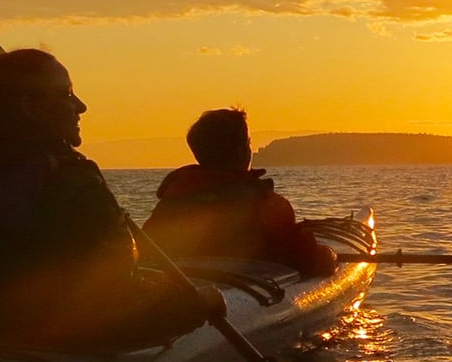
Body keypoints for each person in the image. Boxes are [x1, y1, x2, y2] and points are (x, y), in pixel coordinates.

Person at [0, 48, 218, 349]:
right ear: (29, 106)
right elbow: (115, 293)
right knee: (206, 299)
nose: (80, 106)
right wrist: (194, 304)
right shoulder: (71, 179)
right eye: (66, 94)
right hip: (70, 336)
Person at [142, 108, 337, 277]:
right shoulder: (267, 205)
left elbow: (146, 253)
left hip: (191, 287)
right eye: (249, 143)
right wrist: (330, 255)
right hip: (244, 299)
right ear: (242, 150)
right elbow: (309, 258)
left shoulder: (170, 203)